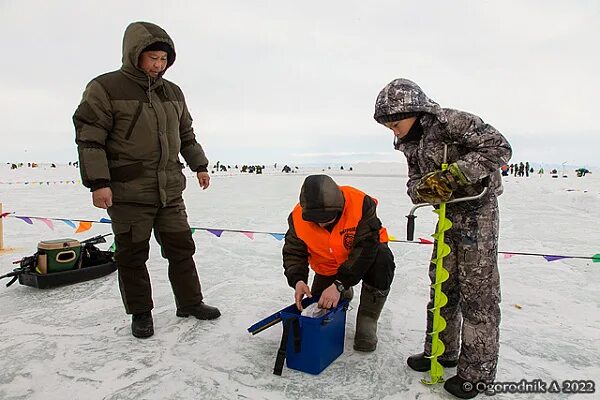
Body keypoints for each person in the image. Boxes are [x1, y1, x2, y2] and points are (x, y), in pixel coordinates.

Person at [73, 21, 220, 339]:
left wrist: (200, 166)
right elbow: (90, 139)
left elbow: (186, 135)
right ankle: (141, 313)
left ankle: (190, 302)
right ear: (134, 54)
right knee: (132, 255)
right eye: (152, 57)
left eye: (163, 59)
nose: (158, 65)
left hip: (169, 191)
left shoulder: (173, 92)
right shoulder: (106, 88)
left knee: (182, 249)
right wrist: (99, 183)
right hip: (127, 192)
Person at [373, 79, 512, 399]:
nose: (394, 131)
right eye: (388, 126)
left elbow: (499, 147)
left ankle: (477, 372)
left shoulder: (452, 122)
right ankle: (441, 351)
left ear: (414, 111)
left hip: (478, 213)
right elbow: (413, 183)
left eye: (396, 123)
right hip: (445, 217)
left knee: (478, 293)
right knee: (443, 285)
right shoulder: (409, 142)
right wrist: (425, 189)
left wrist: (453, 176)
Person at [282, 175, 396, 352]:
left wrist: (339, 284)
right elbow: (293, 252)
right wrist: (298, 280)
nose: (320, 224)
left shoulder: (360, 203)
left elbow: (366, 248)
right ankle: (344, 291)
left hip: (364, 258)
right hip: (327, 265)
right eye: (315, 220)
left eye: (326, 218)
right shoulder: (297, 218)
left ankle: (368, 318)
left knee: (382, 259)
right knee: (320, 305)